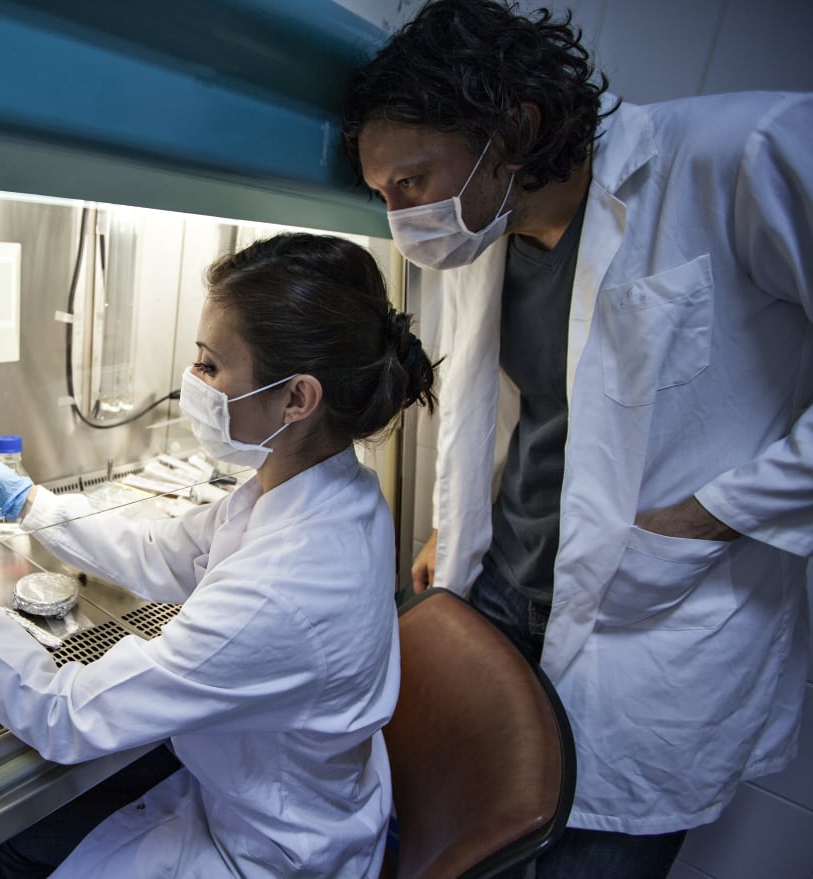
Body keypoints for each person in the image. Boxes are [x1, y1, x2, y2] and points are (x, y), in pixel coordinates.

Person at [340, 1, 813, 877]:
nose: (404, 215)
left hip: (649, 615)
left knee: (583, 859)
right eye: (382, 196)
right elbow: (537, 404)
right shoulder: (491, 231)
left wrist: (717, 512)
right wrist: (463, 519)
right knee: (446, 839)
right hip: (502, 596)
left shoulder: (743, 153)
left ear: (513, 130)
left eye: (411, 182)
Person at [0, 232, 436, 878]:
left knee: (23, 843)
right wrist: (24, 498)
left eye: (211, 365)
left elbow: (64, 712)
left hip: (270, 850)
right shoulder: (329, 486)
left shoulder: (284, 587)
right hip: (269, 787)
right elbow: (165, 552)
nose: (192, 381)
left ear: (296, 399)